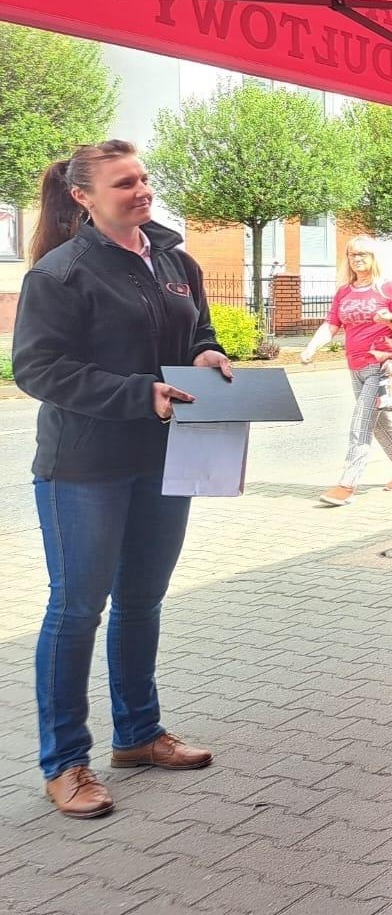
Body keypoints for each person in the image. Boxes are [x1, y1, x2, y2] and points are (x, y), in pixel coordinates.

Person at [12, 141, 228, 820]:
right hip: (85, 466)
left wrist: (206, 351)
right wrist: (143, 394)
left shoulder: (174, 260)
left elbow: (198, 327)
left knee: (143, 600)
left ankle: (137, 735)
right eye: (124, 182)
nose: (142, 190)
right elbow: (38, 370)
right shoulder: (62, 273)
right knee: (78, 609)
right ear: (83, 196)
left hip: (168, 458)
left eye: (144, 178)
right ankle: (65, 763)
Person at [298, 235, 392, 507]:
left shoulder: (388, 288)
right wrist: (311, 348)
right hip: (355, 366)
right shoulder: (344, 292)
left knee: (361, 424)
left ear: (374, 257)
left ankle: (347, 484)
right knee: (378, 423)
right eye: (352, 254)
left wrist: (390, 318)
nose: (357, 259)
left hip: (382, 366)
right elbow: (331, 324)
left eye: (363, 254)